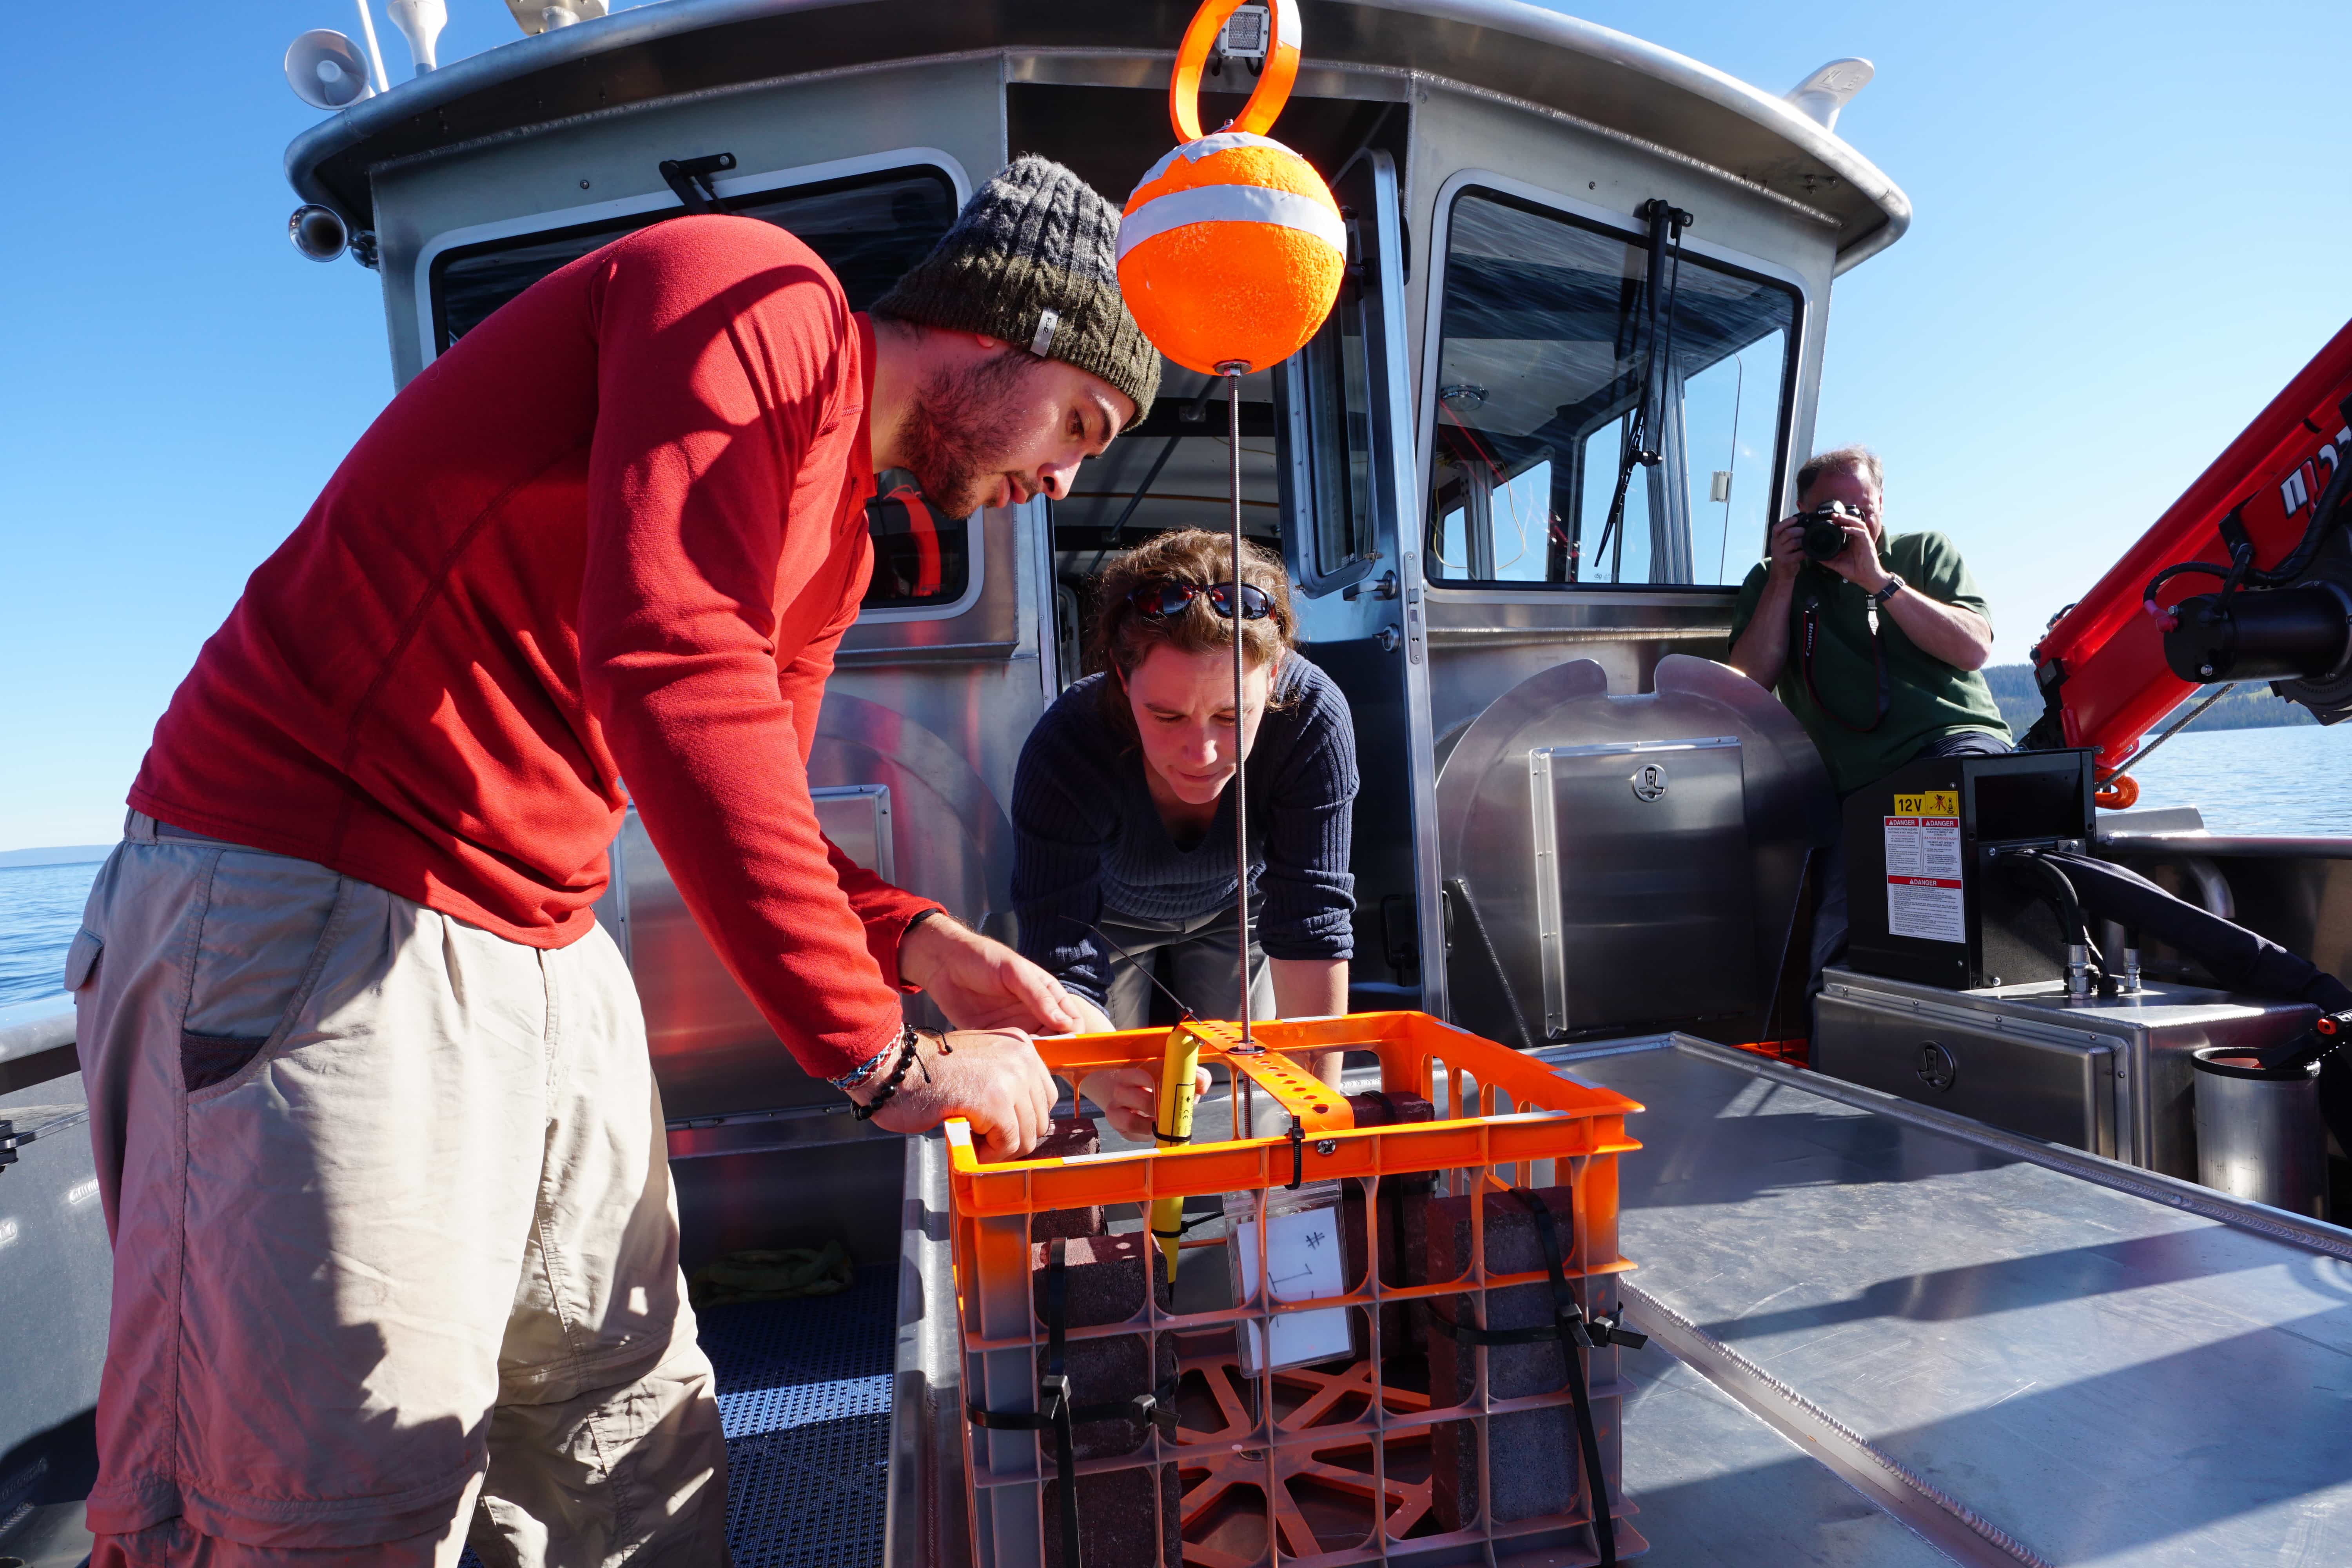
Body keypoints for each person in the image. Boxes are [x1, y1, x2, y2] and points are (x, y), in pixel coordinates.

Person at [64, 158, 1159, 1567]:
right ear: (1007, 325)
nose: (1064, 479)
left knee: (625, 1431)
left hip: (548, 939)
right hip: (327, 904)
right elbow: (673, 664)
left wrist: (922, 942)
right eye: (1081, 422)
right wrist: (896, 1061)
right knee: (324, 1500)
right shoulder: (754, 289)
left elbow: (753, 782)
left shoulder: (836, 546)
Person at [1011, 530, 1359, 1125]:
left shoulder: (1312, 719)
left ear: (1274, 675)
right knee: (1106, 1105)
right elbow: (1060, 948)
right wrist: (1105, 1079)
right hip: (1105, 923)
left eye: (1231, 714)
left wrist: (1323, 1120)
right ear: (1122, 680)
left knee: (1245, 1086)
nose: (1202, 754)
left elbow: (1311, 923)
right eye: (1167, 716)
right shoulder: (1068, 744)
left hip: (1239, 911)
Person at [1728, 445, 2013, 980]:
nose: (1848, 523)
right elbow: (1749, 681)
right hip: (1858, 793)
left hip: (1950, 750)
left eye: (1861, 509)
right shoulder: (1775, 578)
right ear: (1800, 514)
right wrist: (1784, 580)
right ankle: (1845, 1009)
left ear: (1882, 504)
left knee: (1934, 855)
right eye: (1830, 511)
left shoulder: (1922, 552)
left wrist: (1879, 582)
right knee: (1843, 935)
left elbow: (1973, 648)